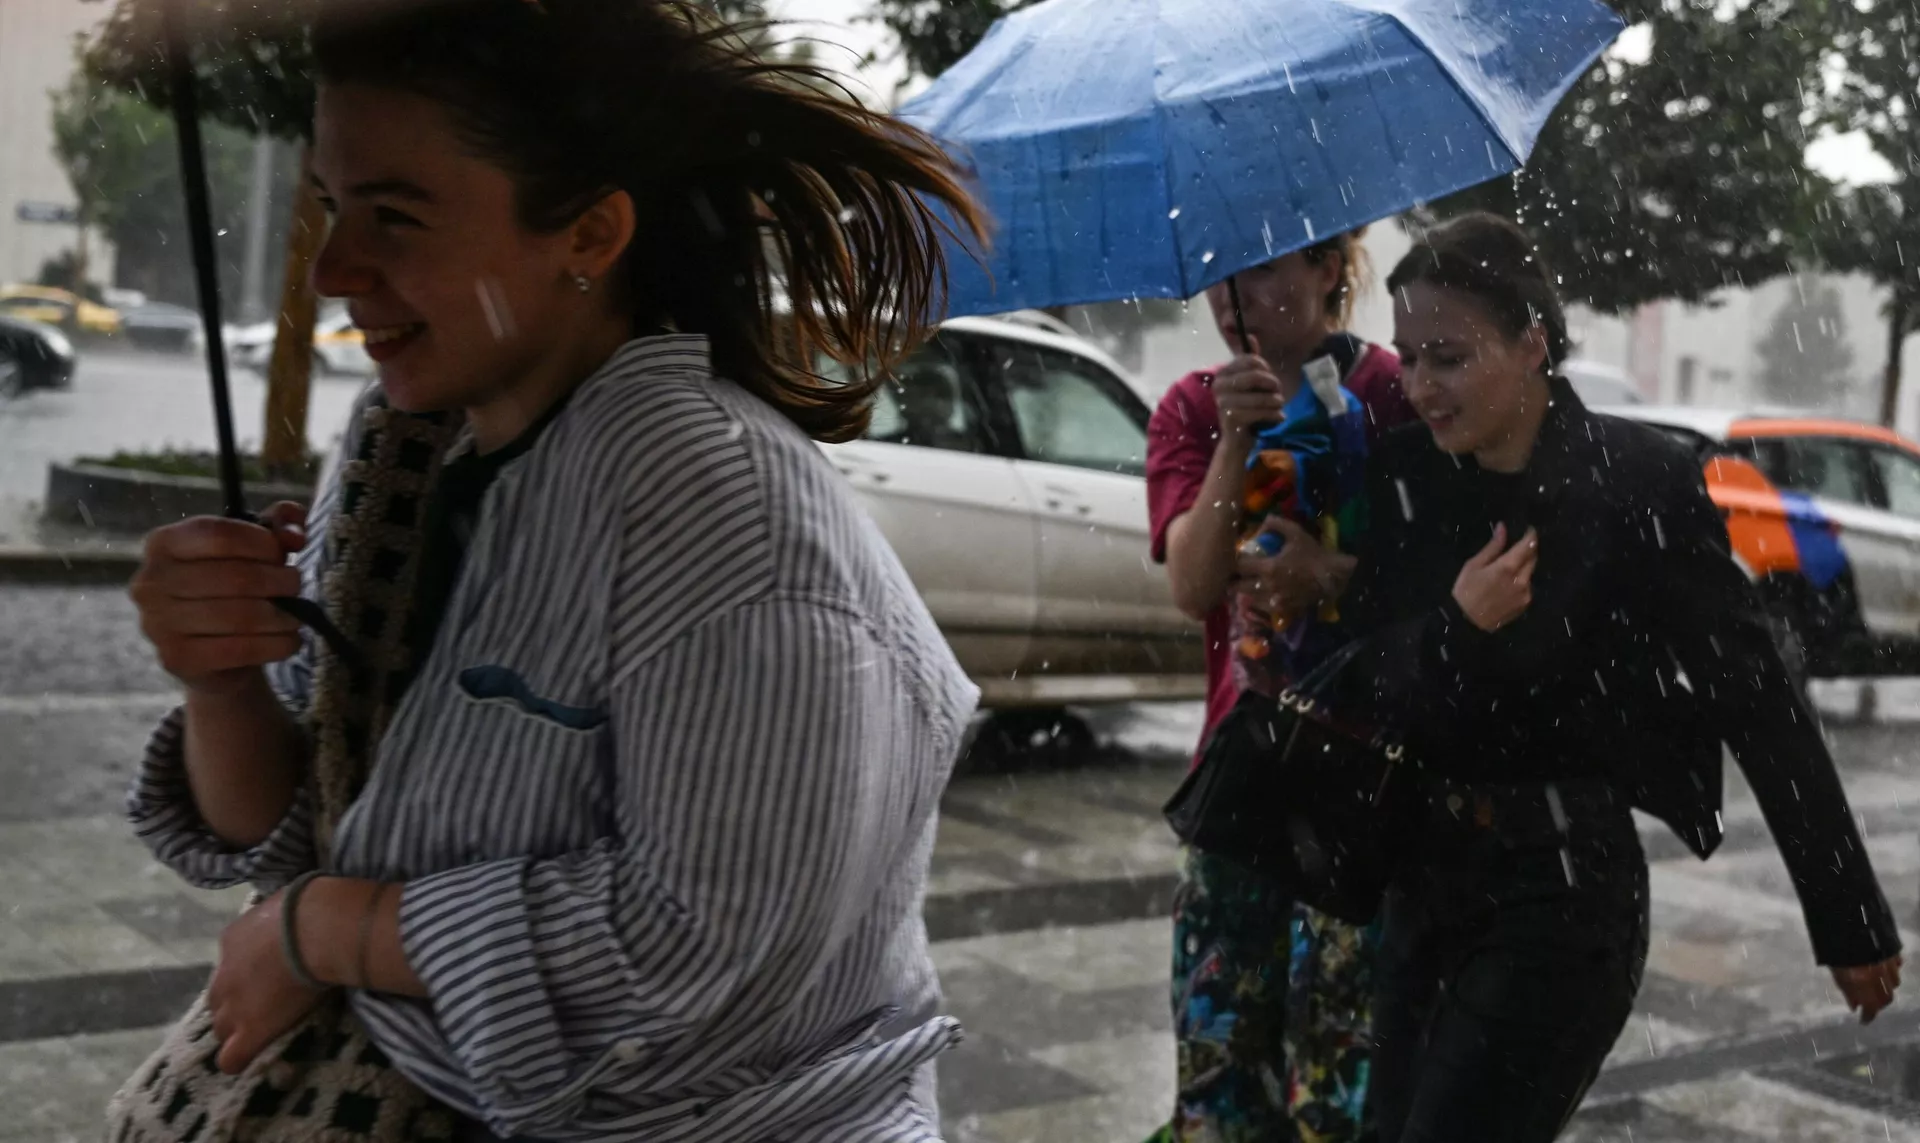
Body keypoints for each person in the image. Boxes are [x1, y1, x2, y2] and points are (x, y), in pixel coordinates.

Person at [120, 2, 988, 1140]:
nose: (335, 269)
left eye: (397, 216)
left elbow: (697, 951)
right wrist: (220, 676)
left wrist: (327, 934)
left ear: (588, 235)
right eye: (334, 206)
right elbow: (300, 827)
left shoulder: (730, 523)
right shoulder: (401, 462)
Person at [1340, 211, 1904, 1142]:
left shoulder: (1638, 481)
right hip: (1425, 892)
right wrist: (1456, 628)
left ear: (1531, 343)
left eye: (1447, 356)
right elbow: (1372, 682)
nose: (1421, 387)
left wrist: (1848, 916)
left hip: (1564, 901)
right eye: (1408, 358)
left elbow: (1756, 699)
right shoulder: (1410, 481)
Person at [1144, 232, 1415, 1143]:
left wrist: (1331, 574)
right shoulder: (1191, 408)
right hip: (1244, 779)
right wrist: (1235, 440)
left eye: (1260, 267)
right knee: (1219, 1060)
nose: (1234, 297)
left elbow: (1434, 584)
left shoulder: (1390, 395)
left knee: (1336, 1077)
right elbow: (1191, 584)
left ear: (1330, 268)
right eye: (1217, 275)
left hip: (1366, 784)